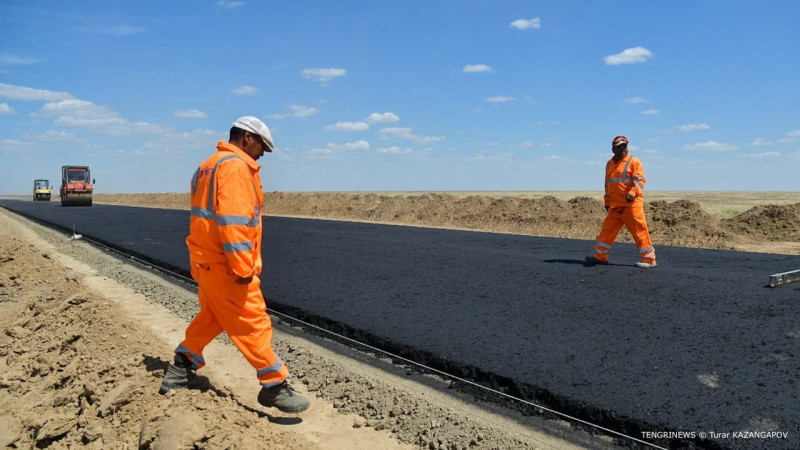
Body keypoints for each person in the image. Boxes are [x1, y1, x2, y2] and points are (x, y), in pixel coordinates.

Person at [159, 116, 310, 414]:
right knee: (254, 322)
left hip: (205, 261)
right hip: (228, 266)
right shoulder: (235, 168)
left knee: (213, 316)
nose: (263, 154)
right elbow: (234, 221)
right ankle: (274, 385)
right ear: (246, 138)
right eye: (261, 146)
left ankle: (181, 367)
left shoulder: (207, 166)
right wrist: (243, 268)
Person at [586, 135, 657, 268]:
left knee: (640, 232)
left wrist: (632, 193)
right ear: (613, 149)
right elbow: (608, 184)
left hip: (631, 206)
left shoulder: (633, 161)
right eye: (619, 147)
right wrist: (607, 201)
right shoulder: (609, 164)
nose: (623, 149)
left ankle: (649, 260)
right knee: (607, 231)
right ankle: (600, 257)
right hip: (615, 206)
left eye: (625, 146)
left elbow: (640, 180)